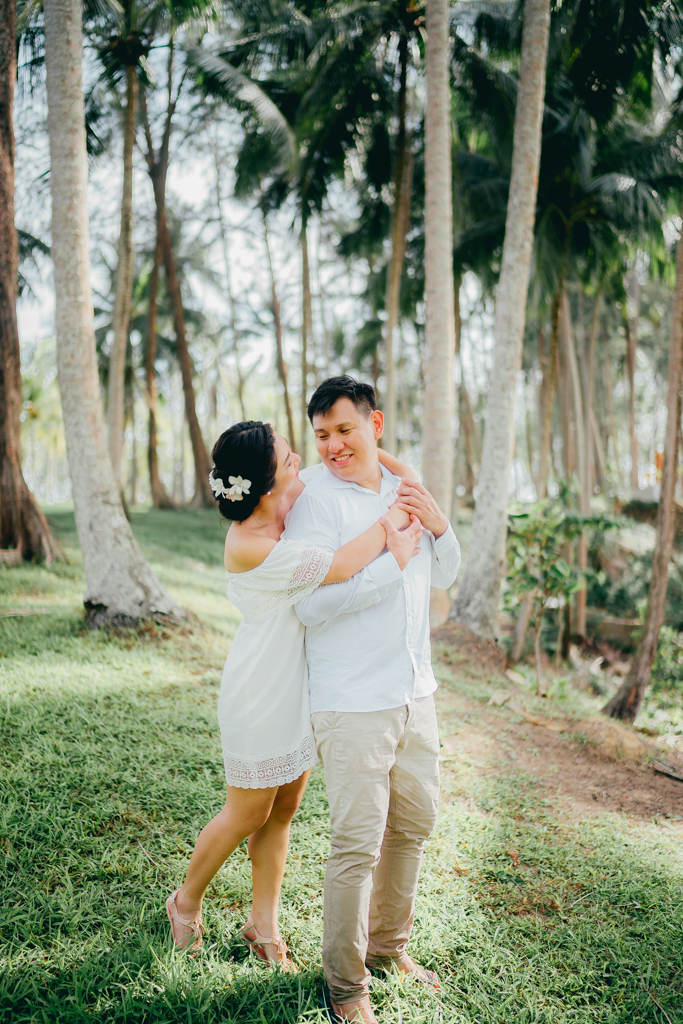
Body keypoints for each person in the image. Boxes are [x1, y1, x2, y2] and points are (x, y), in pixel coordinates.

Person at [165, 419, 422, 969]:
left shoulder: (282, 500)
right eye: (287, 458)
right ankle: (185, 902)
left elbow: (354, 460)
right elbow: (345, 565)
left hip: (303, 685)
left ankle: (264, 926)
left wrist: (402, 471)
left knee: (282, 812)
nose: (299, 459)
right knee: (246, 812)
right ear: (262, 483)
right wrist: (398, 520)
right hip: (261, 690)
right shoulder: (250, 544)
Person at [284, 377, 461, 1023]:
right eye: (322, 433)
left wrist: (438, 527)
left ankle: (389, 951)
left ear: (374, 424)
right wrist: (385, 563)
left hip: (417, 692)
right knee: (355, 845)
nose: (332, 444)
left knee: (412, 827)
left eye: (344, 429)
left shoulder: (401, 491)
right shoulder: (314, 504)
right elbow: (309, 605)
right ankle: (345, 987)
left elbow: (444, 575)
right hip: (352, 701)